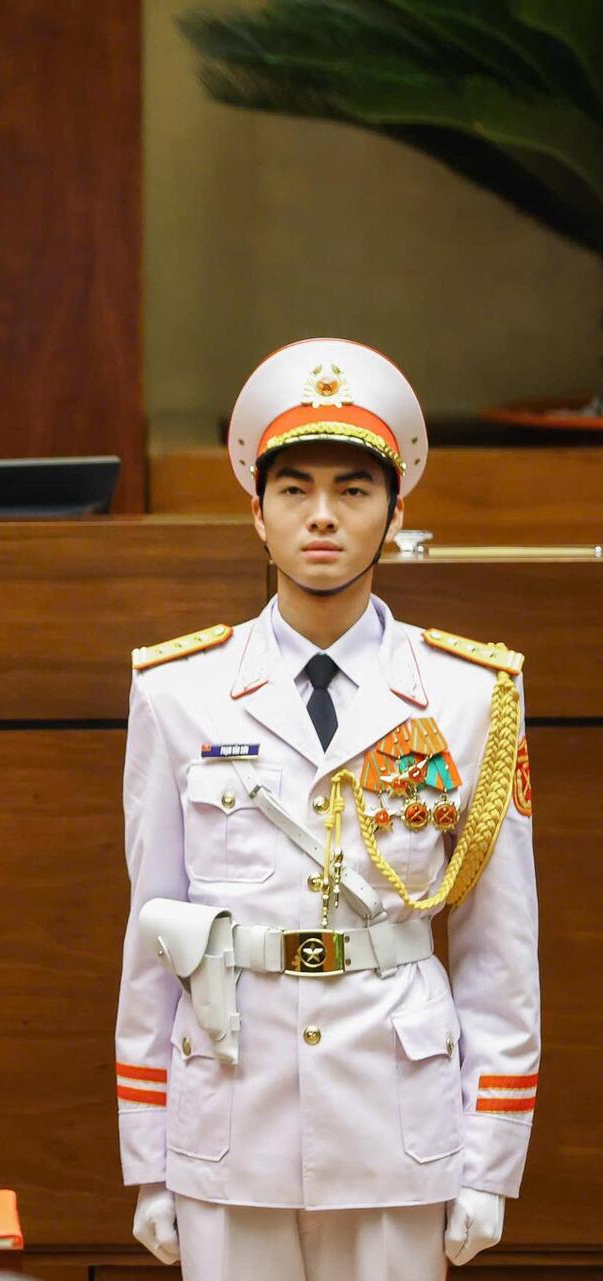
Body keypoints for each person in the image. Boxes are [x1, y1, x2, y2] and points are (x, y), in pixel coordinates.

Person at [114, 339, 539, 1280]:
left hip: (396, 1118)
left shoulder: (472, 696)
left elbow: (500, 954)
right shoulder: (177, 691)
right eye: (294, 489)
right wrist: (148, 1154)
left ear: (396, 512)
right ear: (255, 511)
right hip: (232, 1109)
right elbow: (154, 932)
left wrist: (490, 1160)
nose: (321, 516)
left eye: (353, 490)